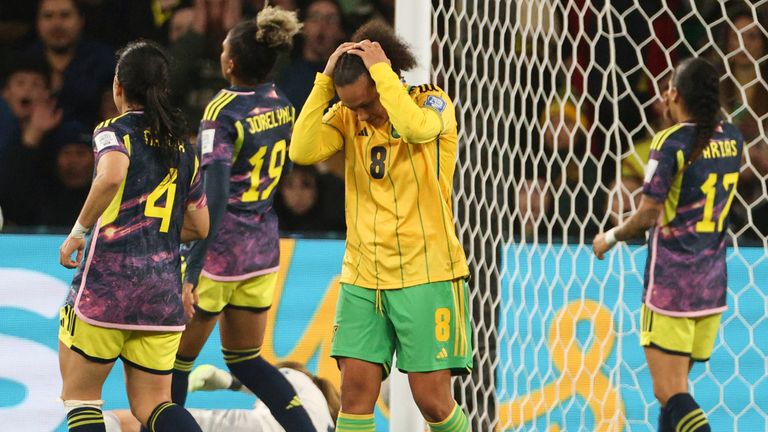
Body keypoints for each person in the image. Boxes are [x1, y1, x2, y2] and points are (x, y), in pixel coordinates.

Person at [289, 21, 473, 432]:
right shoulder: (347, 117)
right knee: (354, 394)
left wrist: (384, 76)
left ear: (383, 80)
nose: (359, 114)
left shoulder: (433, 104)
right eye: (349, 106)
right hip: (364, 277)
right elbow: (302, 149)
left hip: (427, 275)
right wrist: (324, 83)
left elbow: (414, 128)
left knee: (433, 402)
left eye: (364, 104)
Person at [170, 7, 316, 432]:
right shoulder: (283, 105)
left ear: (230, 63)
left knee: (174, 360)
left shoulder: (222, 109)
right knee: (245, 358)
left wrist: (190, 270)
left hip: (219, 253)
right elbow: (282, 174)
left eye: (222, 48)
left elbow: (214, 194)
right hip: (262, 249)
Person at [57, 40, 209, 432]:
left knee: (82, 399)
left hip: (107, 290)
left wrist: (78, 232)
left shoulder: (115, 131)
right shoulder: (182, 146)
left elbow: (111, 175)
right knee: (155, 404)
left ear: (118, 87)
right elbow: (200, 226)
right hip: (162, 294)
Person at [592, 57, 743, 432]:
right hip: (712, 285)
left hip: (672, 286)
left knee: (668, 390)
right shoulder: (733, 139)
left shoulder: (670, 143)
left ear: (674, 95)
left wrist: (608, 237)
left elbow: (646, 216)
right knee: (675, 392)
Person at [106, 362, 338, 432]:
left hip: (259, 428)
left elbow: (267, 382)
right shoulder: (326, 418)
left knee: (138, 419)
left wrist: (226, 380)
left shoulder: (300, 378)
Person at [23, 0, 115, 126]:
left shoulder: (105, 61)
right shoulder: (23, 62)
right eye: (48, 16)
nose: (56, 24)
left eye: (65, 15)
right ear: (37, 22)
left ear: (81, 20)